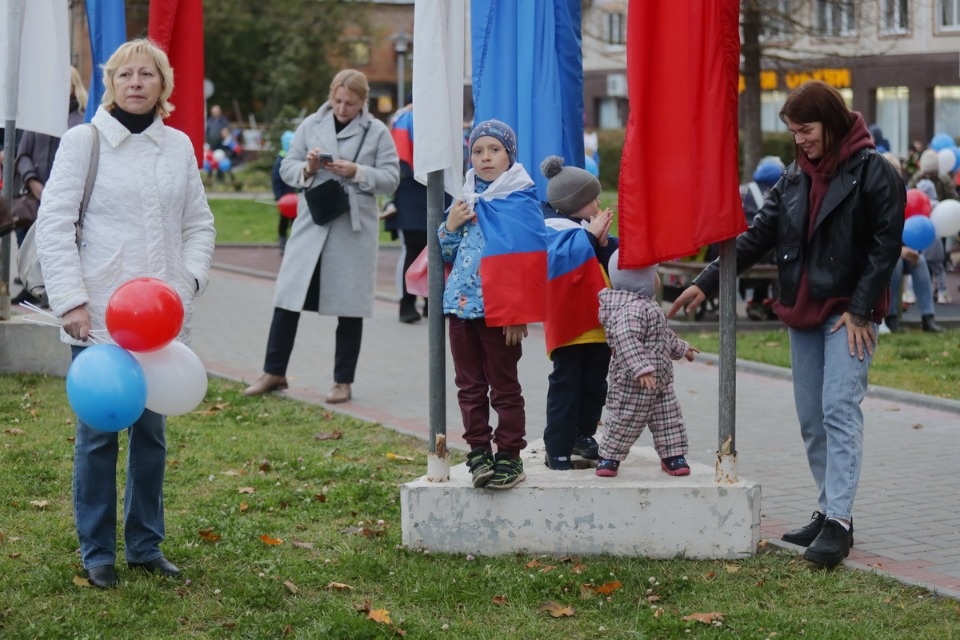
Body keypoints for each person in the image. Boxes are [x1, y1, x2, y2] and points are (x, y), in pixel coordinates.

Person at [668, 80, 904, 568]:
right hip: (802, 311)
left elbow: (885, 247)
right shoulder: (795, 177)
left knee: (839, 410)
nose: (800, 140)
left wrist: (861, 309)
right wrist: (707, 283)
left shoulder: (874, 172)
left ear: (832, 122)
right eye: (794, 132)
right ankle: (827, 508)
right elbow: (756, 237)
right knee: (812, 421)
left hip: (848, 316)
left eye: (807, 129)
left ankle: (838, 522)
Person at [35, 39, 216, 588]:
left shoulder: (179, 146)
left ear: (163, 85)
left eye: (147, 74)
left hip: (160, 319)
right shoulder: (83, 142)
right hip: (99, 317)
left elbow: (199, 224)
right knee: (98, 433)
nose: (135, 83)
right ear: (110, 84)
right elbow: (55, 223)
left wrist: (185, 286)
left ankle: (144, 545)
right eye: (124, 75)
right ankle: (97, 552)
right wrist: (70, 301)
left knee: (151, 433)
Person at [243, 69, 399, 404]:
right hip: (312, 223)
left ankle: (343, 381)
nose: (343, 108)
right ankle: (274, 371)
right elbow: (287, 168)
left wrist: (356, 171)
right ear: (331, 95)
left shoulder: (377, 132)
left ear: (363, 102)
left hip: (352, 229)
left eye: (351, 103)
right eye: (338, 101)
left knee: (350, 305)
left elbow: (391, 179)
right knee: (287, 298)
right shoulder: (310, 125)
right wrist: (309, 169)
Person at [440, 119, 547, 490]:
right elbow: (445, 254)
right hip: (459, 308)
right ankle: (478, 452)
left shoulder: (520, 198)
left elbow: (530, 260)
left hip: (501, 315)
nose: (485, 157)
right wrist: (450, 225)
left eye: (494, 150)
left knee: (503, 386)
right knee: (468, 386)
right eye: (478, 150)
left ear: (509, 155)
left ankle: (509, 455)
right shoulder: (464, 198)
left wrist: (518, 315)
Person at [538, 155, 618, 470]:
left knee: (595, 385)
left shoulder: (582, 225)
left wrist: (603, 243)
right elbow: (558, 261)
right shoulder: (551, 228)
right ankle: (556, 446)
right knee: (566, 385)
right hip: (570, 325)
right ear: (574, 203)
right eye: (591, 198)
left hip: (598, 322)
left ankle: (583, 435)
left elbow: (606, 260)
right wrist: (588, 238)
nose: (598, 203)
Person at [595, 250, 697, 478]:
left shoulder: (648, 306)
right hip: (633, 384)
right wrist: (641, 369)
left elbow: (662, 336)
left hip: (660, 384)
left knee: (669, 420)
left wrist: (682, 348)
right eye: (654, 274)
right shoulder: (631, 310)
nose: (657, 279)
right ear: (642, 279)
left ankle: (673, 455)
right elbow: (625, 339)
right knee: (624, 420)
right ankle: (609, 455)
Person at [10, 67, 88, 305]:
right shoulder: (39, 121)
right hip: (34, 195)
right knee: (26, 240)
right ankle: (29, 286)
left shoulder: (82, 122)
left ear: (75, 87)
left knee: (59, 243)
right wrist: (32, 181)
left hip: (66, 197)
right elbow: (22, 155)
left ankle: (53, 292)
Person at [385, 103, 450, 323]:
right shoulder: (442, 120)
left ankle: (408, 305)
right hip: (435, 191)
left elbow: (395, 160)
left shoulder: (400, 121)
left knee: (412, 252)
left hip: (408, 196)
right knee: (434, 251)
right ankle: (428, 305)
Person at [738, 155, 784, 320]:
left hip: (743, 249)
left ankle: (757, 301)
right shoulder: (783, 193)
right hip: (773, 254)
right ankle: (771, 302)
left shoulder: (743, 191)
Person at [271, 130, 296, 252]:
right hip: (285, 200)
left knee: (296, 222)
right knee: (284, 220)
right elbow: (276, 180)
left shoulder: (295, 159)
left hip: (295, 199)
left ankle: (295, 242)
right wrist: (278, 196)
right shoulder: (280, 160)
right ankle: (282, 241)